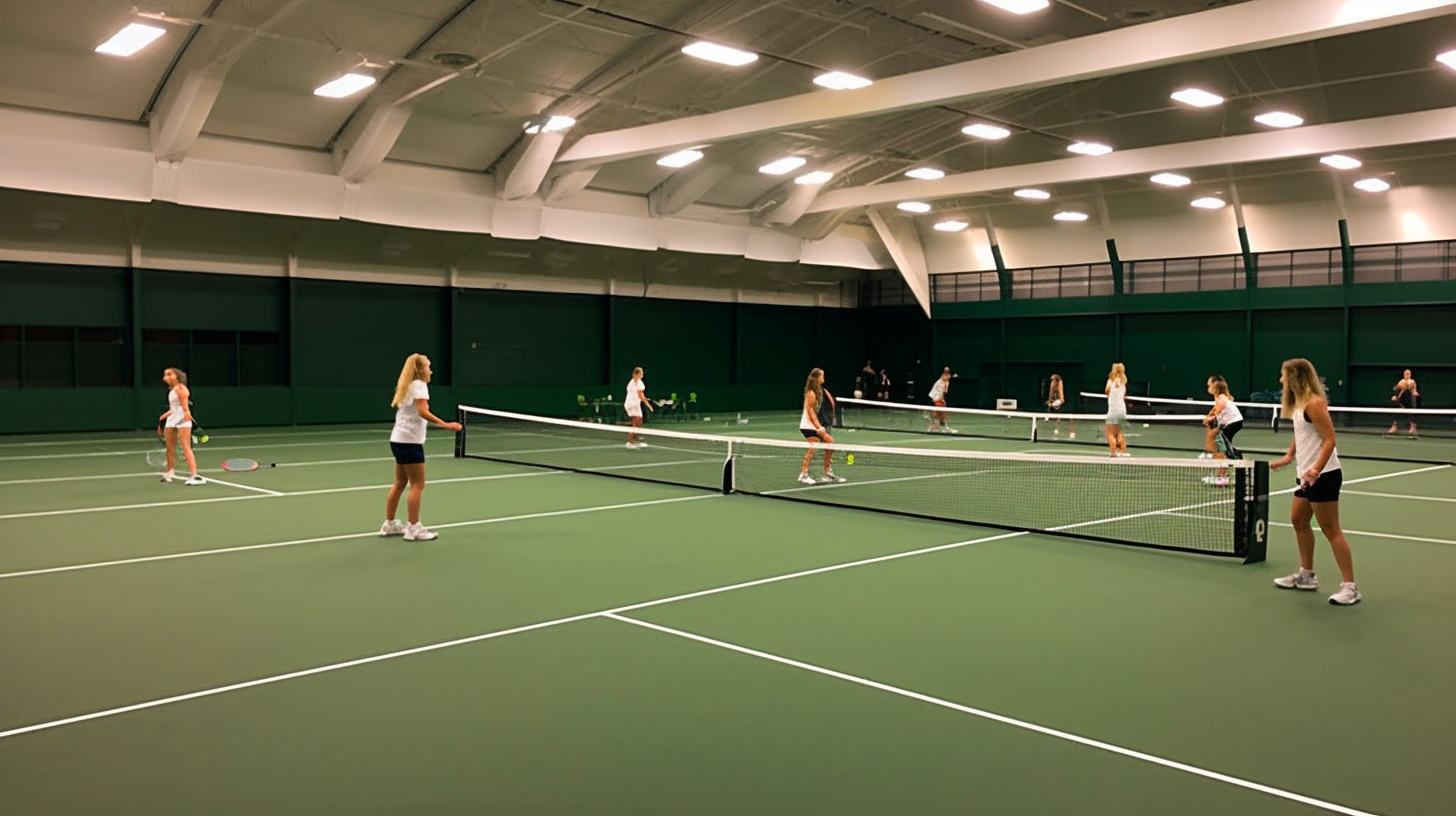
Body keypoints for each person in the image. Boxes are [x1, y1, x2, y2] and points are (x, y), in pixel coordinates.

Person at [1270, 358, 1360, 606]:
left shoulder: (1315, 404)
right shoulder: (1300, 404)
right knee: (1298, 520)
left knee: (1332, 530)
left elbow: (1330, 439)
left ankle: (1351, 588)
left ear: (1296, 377)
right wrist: (1289, 456)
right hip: (1306, 475)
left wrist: (1315, 470)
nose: (1281, 380)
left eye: (1283, 375)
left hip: (1324, 475)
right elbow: (1302, 433)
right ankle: (1306, 576)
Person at [382, 353, 462, 542]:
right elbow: (422, 411)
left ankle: (390, 524)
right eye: (428, 367)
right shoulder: (419, 385)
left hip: (398, 440)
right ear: (420, 369)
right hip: (410, 442)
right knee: (417, 485)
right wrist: (446, 424)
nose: (431, 370)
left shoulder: (406, 385)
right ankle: (414, 528)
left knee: (400, 483)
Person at [798, 367, 847, 485]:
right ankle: (803, 475)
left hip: (814, 425)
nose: (823, 377)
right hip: (808, 426)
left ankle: (827, 473)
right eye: (821, 375)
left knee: (830, 444)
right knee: (812, 448)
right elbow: (810, 413)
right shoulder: (811, 393)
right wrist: (819, 427)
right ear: (816, 378)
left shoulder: (819, 391)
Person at [159, 367, 204, 486]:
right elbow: (174, 408)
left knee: (185, 446)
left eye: (170, 374)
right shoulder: (171, 391)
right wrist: (163, 416)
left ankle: (195, 475)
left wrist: (187, 413)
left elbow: (184, 403)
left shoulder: (181, 388)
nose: (167, 377)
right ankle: (169, 472)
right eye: (165, 375)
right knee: (170, 448)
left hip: (183, 420)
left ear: (177, 376)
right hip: (171, 420)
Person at [1201, 375, 1244, 487]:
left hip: (1233, 423)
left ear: (1215, 387)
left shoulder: (1222, 399)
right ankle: (1233, 461)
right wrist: (1208, 417)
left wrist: (1209, 418)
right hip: (1232, 424)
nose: (1207, 387)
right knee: (1223, 448)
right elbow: (1212, 412)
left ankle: (1223, 477)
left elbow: (1215, 414)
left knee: (1222, 449)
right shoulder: (1219, 398)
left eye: (1209, 385)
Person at [624, 366, 654, 449]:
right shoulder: (637, 383)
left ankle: (637, 440)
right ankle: (630, 442)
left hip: (632, 405)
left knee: (639, 422)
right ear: (637, 373)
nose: (643, 374)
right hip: (632, 405)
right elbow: (641, 396)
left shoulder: (634, 382)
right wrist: (649, 405)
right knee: (636, 423)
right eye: (641, 373)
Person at [1104, 363, 1129, 457]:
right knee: (1118, 432)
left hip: (1113, 410)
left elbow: (1106, 390)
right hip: (1122, 410)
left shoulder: (1111, 381)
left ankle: (1113, 452)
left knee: (1110, 433)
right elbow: (1123, 396)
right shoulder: (1123, 382)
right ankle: (1124, 452)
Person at [1387, 369, 1419, 437]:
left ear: (1410, 375)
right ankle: (1394, 427)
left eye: (1408, 374)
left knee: (1412, 408)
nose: (1407, 375)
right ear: (1403, 375)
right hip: (1402, 399)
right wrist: (1395, 395)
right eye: (1405, 374)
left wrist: (1415, 392)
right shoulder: (1401, 381)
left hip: (1409, 399)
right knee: (1395, 405)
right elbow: (1396, 389)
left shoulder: (1412, 381)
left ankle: (1412, 427)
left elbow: (1414, 390)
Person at [1046, 373, 1075, 439]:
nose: (1052, 381)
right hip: (1057, 402)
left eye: (1053, 380)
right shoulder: (1052, 384)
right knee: (1058, 417)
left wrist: (1053, 404)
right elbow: (1050, 395)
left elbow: (1062, 400)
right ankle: (1056, 429)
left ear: (1056, 380)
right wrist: (1050, 402)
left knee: (1071, 418)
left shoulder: (1060, 384)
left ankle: (1072, 432)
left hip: (1063, 402)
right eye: (1051, 380)